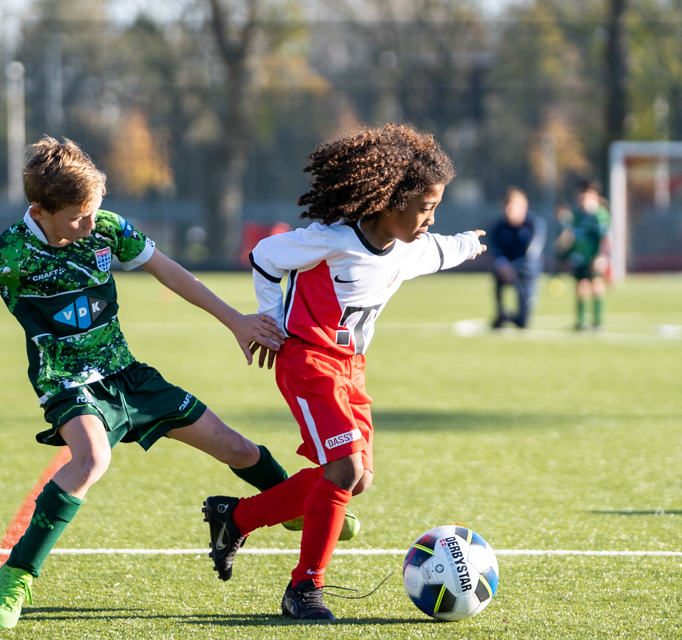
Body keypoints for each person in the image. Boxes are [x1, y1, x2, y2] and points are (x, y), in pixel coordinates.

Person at [0, 136, 297, 630]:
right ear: (40, 211)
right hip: (65, 379)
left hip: (126, 372)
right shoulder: (9, 252)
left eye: (93, 212)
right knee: (91, 458)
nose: (89, 224)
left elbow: (168, 271)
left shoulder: (103, 227)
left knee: (236, 446)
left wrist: (235, 320)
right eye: (78, 217)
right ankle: (17, 575)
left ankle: (298, 504)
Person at [202, 123, 486, 621]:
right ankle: (303, 589)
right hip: (308, 362)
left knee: (357, 480)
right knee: (345, 468)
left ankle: (236, 517)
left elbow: (441, 251)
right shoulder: (331, 241)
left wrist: (469, 243)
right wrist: (270, 321)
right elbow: (266, 257)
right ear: (389, 201)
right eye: (425, 207)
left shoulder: (406, 248)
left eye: (435, 208)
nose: (430, 219)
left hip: (350, 369)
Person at [555, 180, 611, 330]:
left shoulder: (599, 215)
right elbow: (571, 237)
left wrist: (601, 256)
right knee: (581, 286)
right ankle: (580, 322)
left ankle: (598, 322)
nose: (583, 199)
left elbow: (605, 238)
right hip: (580, 257)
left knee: (597, 284)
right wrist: (564, 252)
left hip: (595, 256)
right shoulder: (576, 216)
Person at [489, 187, 546, 328]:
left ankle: (519, 312)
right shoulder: (499, 227)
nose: (510, 210)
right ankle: (501, 312)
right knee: (497, 274)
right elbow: (496, 251)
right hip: (506, 268)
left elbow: (532, 253)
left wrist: (512, 267)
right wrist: (503, 265)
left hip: (526, 270)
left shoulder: (533, 224)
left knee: (523, 323)